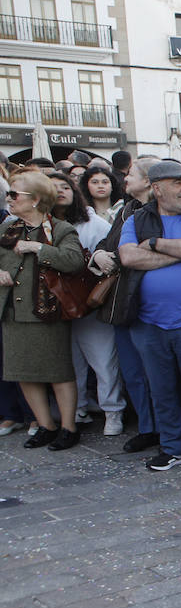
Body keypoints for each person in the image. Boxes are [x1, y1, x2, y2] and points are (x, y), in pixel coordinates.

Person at [118, 160, 181, 472]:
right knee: (160, 389)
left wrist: (154, 245)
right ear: (157, 188)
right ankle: (174, 448)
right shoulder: (134, 220)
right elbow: (128, 257)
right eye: (177, 182)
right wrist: (178, 252)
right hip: (147, 322)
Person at [0, 171, 86, 450]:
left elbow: (74, 261)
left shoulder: (60, 229)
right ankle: (45, 425)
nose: (9, 199)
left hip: (46, 312)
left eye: (15, 194)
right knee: (24, 372)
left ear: (36, 200)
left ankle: (69, 428)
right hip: (13, 311)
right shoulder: (7, 228)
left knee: (58, 371)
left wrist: (38, 247)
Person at [49, 171, 125, 435]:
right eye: (53, 187)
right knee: (70, 362)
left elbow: (110, 257)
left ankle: (113, 411)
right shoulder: (42, 225)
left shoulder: (94, 224)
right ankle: (77, 408)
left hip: (89, 303)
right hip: (56, 306)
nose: (60, 191)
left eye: (65, 187)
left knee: (103, 360)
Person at [92, 156, 160, 453]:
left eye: (131, 173)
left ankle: (165, 428)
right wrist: (98, 256)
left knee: (156, 372)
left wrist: (119, 258)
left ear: (148, 181)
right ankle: (147, 426)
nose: (125, 178)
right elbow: (107, 243)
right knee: (133, 371)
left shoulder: (162, 214)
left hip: (148, 302)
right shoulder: (126, 211)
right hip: (122, 304)